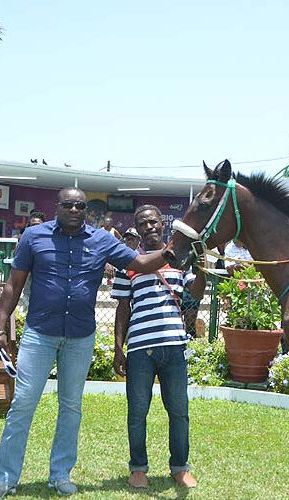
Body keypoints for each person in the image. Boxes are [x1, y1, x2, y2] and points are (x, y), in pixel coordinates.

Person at [0, 187, 174, 499]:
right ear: (57, 206)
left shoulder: (101, 239)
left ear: (87, 210)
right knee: (23, 405)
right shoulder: (34, 237)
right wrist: (0, 329)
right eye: (68, 204)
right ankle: (4, 479)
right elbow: (13, 285)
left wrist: (171, 250)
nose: (74, 210)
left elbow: (139, 262)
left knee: (70, 407)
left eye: (81, 206)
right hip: (40, 334)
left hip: (80, 337)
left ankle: (60, 474)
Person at [111, 205, 205, 489]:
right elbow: (122, 309)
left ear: (162, 226)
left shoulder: (180, 260)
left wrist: (200, 265)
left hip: (174, 347)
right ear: (137, 230)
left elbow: (195, 293)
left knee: (178, 410)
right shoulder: (128, 261)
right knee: (137, 411)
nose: (149, 227)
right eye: (143, 224)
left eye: (153, 222)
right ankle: (138, 468)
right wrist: (118, 348)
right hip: (140, 348)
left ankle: (180, 468)